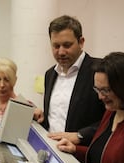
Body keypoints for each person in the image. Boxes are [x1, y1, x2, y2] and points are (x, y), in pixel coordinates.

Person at [41, 15, 105, 145]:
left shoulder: (99, 71)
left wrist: (80, 135)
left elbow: (113, 118)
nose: (61, 52)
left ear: (81, 42)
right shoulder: (49, 75)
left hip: (84, 154)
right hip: (53, 151)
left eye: (67, 45)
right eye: (56, 46)